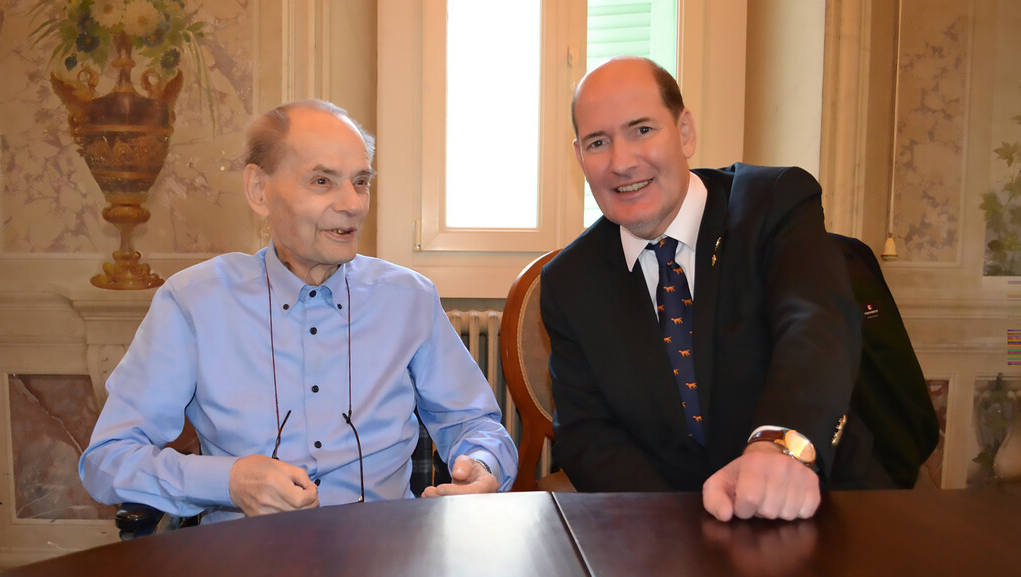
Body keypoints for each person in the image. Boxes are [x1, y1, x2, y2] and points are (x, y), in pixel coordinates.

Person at [80, 100, 518, 523]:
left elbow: (474, 422)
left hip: (383, 564)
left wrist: (483, 466)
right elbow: (108, 460)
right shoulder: (194, 303)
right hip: (245, 573)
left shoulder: (409, 299)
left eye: (360, 181)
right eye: (323, 181)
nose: (353, 204)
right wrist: (227, 481)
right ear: (259, 190)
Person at [541, 57, 893, 522]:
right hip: (668, 535)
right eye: (598, 142)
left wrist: (779, 446)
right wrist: (683, 529)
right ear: (579, 157)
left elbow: (815, 325)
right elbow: (587, 433)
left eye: (642, 129)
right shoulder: (570, 281)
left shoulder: (775, 203)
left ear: (685, 131)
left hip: (822, 506)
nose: (622, 162)